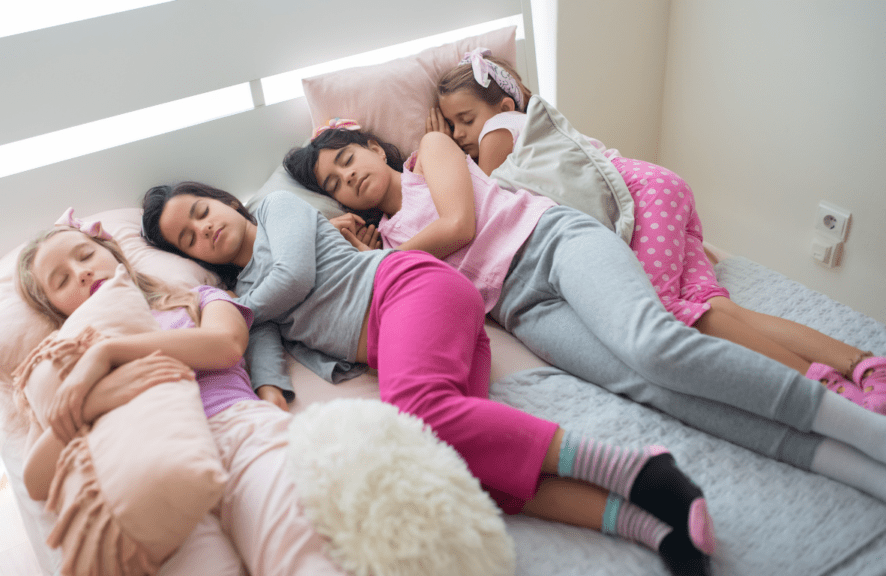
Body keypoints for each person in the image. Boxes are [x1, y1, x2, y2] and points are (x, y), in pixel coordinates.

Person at [280, 121, 886, 505]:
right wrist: (363, 258)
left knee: (652, 344)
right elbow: (412, 301)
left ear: (368, 144)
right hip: (522, 308)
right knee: (649, 388)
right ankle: (841, 462)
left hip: (552, 242)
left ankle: (863, 430)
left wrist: (388, 256)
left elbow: (460, 225)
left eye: (347, 158)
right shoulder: (387, 245)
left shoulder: (427, 155)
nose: (348, 176)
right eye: (333, 181)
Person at [142, 182, 718, 574]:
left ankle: (639, 469)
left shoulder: (275, 211)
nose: (204, 230)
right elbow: (257, 350)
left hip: (408, 288)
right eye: (188, 239)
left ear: (222, 201)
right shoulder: (244, 300)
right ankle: (647, 527)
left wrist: (237, 314)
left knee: (415, 411)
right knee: (454, 470)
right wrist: (271, 408)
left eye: (201, 212)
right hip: (410, 339)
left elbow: (293, 273)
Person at [425, 49, 886, 409]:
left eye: (465, 120)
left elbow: (484, 201)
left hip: (642, 199)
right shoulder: (528, 126)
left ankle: (826, 392)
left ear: (504, 104)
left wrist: (440, 147)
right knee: (711, 309)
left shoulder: (498, 131)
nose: (461, 132)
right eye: (451, 125)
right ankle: (862, 365)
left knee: (663, 314)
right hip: (657, 188)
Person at [15, 215, 350, 576]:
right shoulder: (64, 361)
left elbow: (226, 346)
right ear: (56, 309)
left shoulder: (197, 299)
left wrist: (110, 353)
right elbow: (35, 480)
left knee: (304, 555)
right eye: (62, 280)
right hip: (150, 474)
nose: (80, 273)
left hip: (237, 432)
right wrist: (96, 399)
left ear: (113, 253)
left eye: (84, 256)